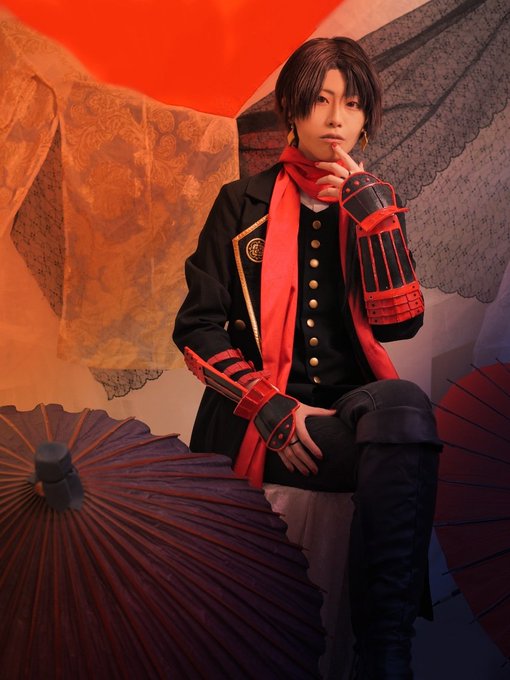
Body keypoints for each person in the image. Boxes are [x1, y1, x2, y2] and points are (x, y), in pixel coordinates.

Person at [173, 37, 442, 680]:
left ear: (366, 118)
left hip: (350, 411)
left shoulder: (375, 202)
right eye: (320, 101)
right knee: (393, 450)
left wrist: (374, 217)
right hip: (261, 417)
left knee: (406, 408)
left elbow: (400, 324)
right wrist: (270, 406)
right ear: (292, 111)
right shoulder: (240, 203)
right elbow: (197, 329)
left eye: (351, 104)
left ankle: (384, 650)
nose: (335, 119)